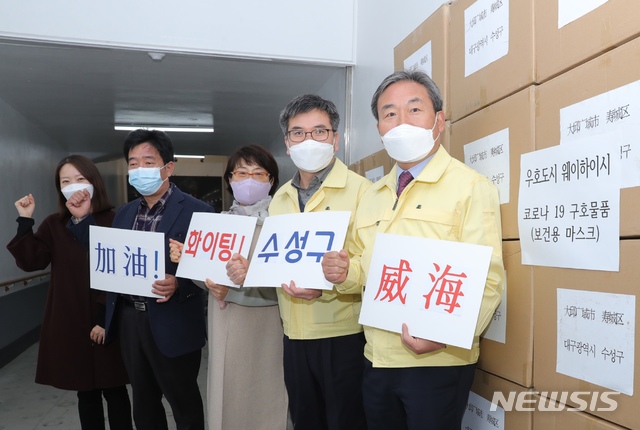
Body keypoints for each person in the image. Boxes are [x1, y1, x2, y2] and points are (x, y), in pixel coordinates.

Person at [321, 70, 505, 430]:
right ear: (379, 129)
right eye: (389, 113)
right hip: (377, 357)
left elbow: (488, 277)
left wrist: (446, 335)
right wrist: (344, 272)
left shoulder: (469, 187)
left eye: (414, 110)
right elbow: (362, 265)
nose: (401, 122)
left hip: (438, 360)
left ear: (439, 121)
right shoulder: (373, 195)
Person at [67, 129, 212, 430]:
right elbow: (105, 257)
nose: (139, 170)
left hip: (174, 322)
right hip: (131, 321)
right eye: (133, 163)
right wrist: (82, 219)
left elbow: (209, 268)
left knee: (185, 404)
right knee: (143, 406)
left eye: (148, 162)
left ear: (168, 168)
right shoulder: (125, 213)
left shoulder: (199, 211)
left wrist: (180, 282)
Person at [7, 155, 133, 430]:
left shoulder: (115, 219)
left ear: (94, 183)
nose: (73, 186)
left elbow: (118, 273)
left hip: (108, 319)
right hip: (72, 321)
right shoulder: (54, 224)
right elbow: (32, 261)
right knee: (85, 391)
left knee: (115, 390)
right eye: (66, 181)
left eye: (80, 179)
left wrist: (103, 317)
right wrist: (25, 220)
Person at [169, 144, 289, 430]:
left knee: (270, 397)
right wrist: (189, 259)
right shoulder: (216, 224)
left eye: (259, 173)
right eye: (241, 172)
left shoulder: (283, 225)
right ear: (230, 180)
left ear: (272, 181)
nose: (249, 180)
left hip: (270, 324)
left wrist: (235, 288)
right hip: (226, 324)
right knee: (228, 396)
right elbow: (204, 278)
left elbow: (288, 281)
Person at [270, 94, 371, 430]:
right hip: (294, 335)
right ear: (287, 143)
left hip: (341, 335)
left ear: (336, 139)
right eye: (298, 133)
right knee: (305, 421)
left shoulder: (362, 191)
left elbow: (370, 261)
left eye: (319, 131)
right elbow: (278, 258)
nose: (308, 140)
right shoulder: (280, 198)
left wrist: (338, 277)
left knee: (345, 421)